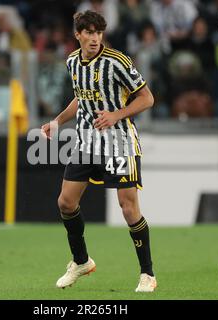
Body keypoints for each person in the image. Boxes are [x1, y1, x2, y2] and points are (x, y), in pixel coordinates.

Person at [41, 10, 157, 292]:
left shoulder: (117, 61)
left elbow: (147, 98)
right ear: (77, 35)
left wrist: (117, 115)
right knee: (65, 203)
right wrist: (57, 120)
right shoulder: (72, 62)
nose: (94, 38)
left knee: (128, 208)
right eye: (88, 33)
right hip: (86, 143)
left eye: (98, 32)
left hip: (119, 142)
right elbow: (81, 98)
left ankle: (147, 274)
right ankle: (81, 261)